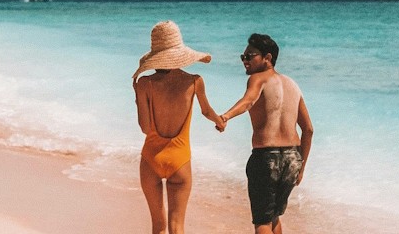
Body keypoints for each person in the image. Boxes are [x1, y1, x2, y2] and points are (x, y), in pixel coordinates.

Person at [133, 21, 225, 234]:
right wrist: (220, 121)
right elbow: (206, 111)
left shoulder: (144, 84)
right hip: (180, 161)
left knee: (158, 226)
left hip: (151, 159)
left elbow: (145, 128)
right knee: (177, 227)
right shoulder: (194, 81)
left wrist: (139, 99)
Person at [218, 33, 313, 234]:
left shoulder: (257, 79)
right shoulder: (293, 85)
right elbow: (308, 130)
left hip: (266, 158)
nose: (245, 61)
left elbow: (248, 101)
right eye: (242, 57)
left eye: (250, 56)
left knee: (262, 221)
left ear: (267, 58)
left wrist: (226, 116)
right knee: (273, 216)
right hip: (293, 158)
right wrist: (301, 166)